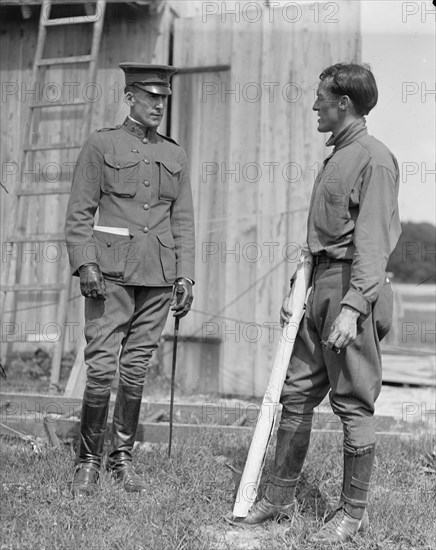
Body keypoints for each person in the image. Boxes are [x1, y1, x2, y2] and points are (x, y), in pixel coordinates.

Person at [227, 63, 401, 543]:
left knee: (352, 402)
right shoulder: (337, 157)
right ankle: (279, 497)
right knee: (296, 393)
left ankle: (352, 513)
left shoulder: (373, 159)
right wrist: (296, 287)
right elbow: (319, 238)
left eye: (320, 98)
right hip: (320, 287)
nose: (314, 106)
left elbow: (373, 242)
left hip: (351, 291)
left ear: (343, 103)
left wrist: (352, 306)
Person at [65, 63, 195, 497]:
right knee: (102, 365)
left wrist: (185, 275)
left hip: (157, 276)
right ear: (130, 98)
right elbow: (80, 213)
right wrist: (85, 263)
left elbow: (184, 221)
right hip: (110, 275)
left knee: (136, 366)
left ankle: (121, 458)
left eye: (164, 98)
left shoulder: (174, 154)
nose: (159, 105)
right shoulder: (101, 145)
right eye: (150, 97)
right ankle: (88, 460)